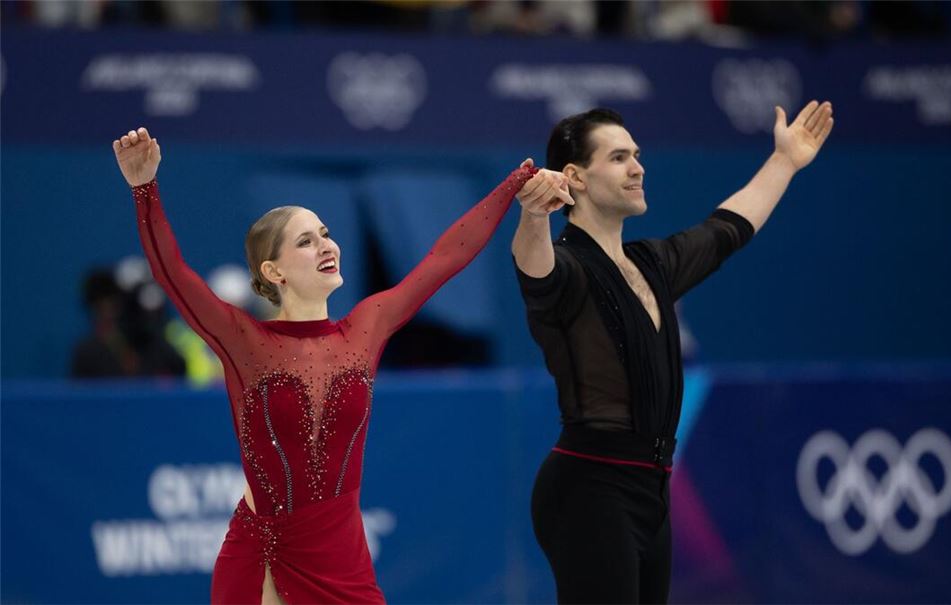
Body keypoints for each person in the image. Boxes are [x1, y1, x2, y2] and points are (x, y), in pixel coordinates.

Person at [113, 127, 560, 604]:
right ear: (274, 271)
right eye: (306, 241)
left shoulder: (365, 327)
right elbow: (172, 274)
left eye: (326, 234)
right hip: (263, 555)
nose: (327, 245)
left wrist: (513, 183)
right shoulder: (245, 342)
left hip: (341, 558)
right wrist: (145, 189)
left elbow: (445, 256)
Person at [512, 101, 834, 603]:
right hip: (589, 488)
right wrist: (534, 214)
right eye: (619, 157)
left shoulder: (653, 263)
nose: (638, 166)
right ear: (574, 176)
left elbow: (727, 228)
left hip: (652, 489)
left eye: (637, 154)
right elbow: (535, 267)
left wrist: (785, 161)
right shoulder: (569, 269)